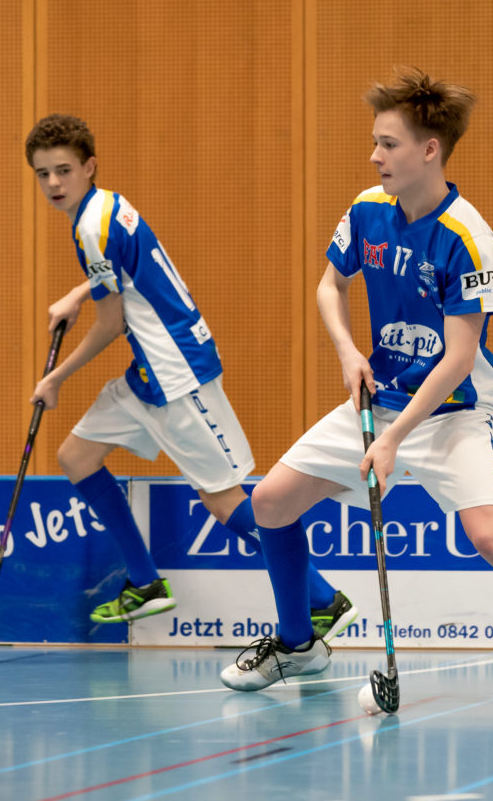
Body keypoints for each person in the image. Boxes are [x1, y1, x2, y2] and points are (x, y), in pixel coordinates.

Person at [218, 69, 493, 705]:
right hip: (378, 399)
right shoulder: (368, 211)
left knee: (492, 535)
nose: (375, 155)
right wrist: (348, 352)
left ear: (429, 150)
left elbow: (459, 359)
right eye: (375, 142)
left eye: (388, 144)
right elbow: (330, 286)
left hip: (452, 412)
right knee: (271, 502)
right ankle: (298, 645)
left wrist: (395, 440)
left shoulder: (469, 238)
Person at [24, 114, 358, 639]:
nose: (53, 183)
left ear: (89, 166)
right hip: (147, 373)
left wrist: (56, 379)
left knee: (223, 500)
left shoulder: (90, 227)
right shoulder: (109, 206)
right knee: (77, 456)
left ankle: (323, 600)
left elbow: (111, 323)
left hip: (175, 372)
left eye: (63, 170)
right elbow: (125, 269)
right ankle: (145, 583)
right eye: (43, 174)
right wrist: (79, 292)